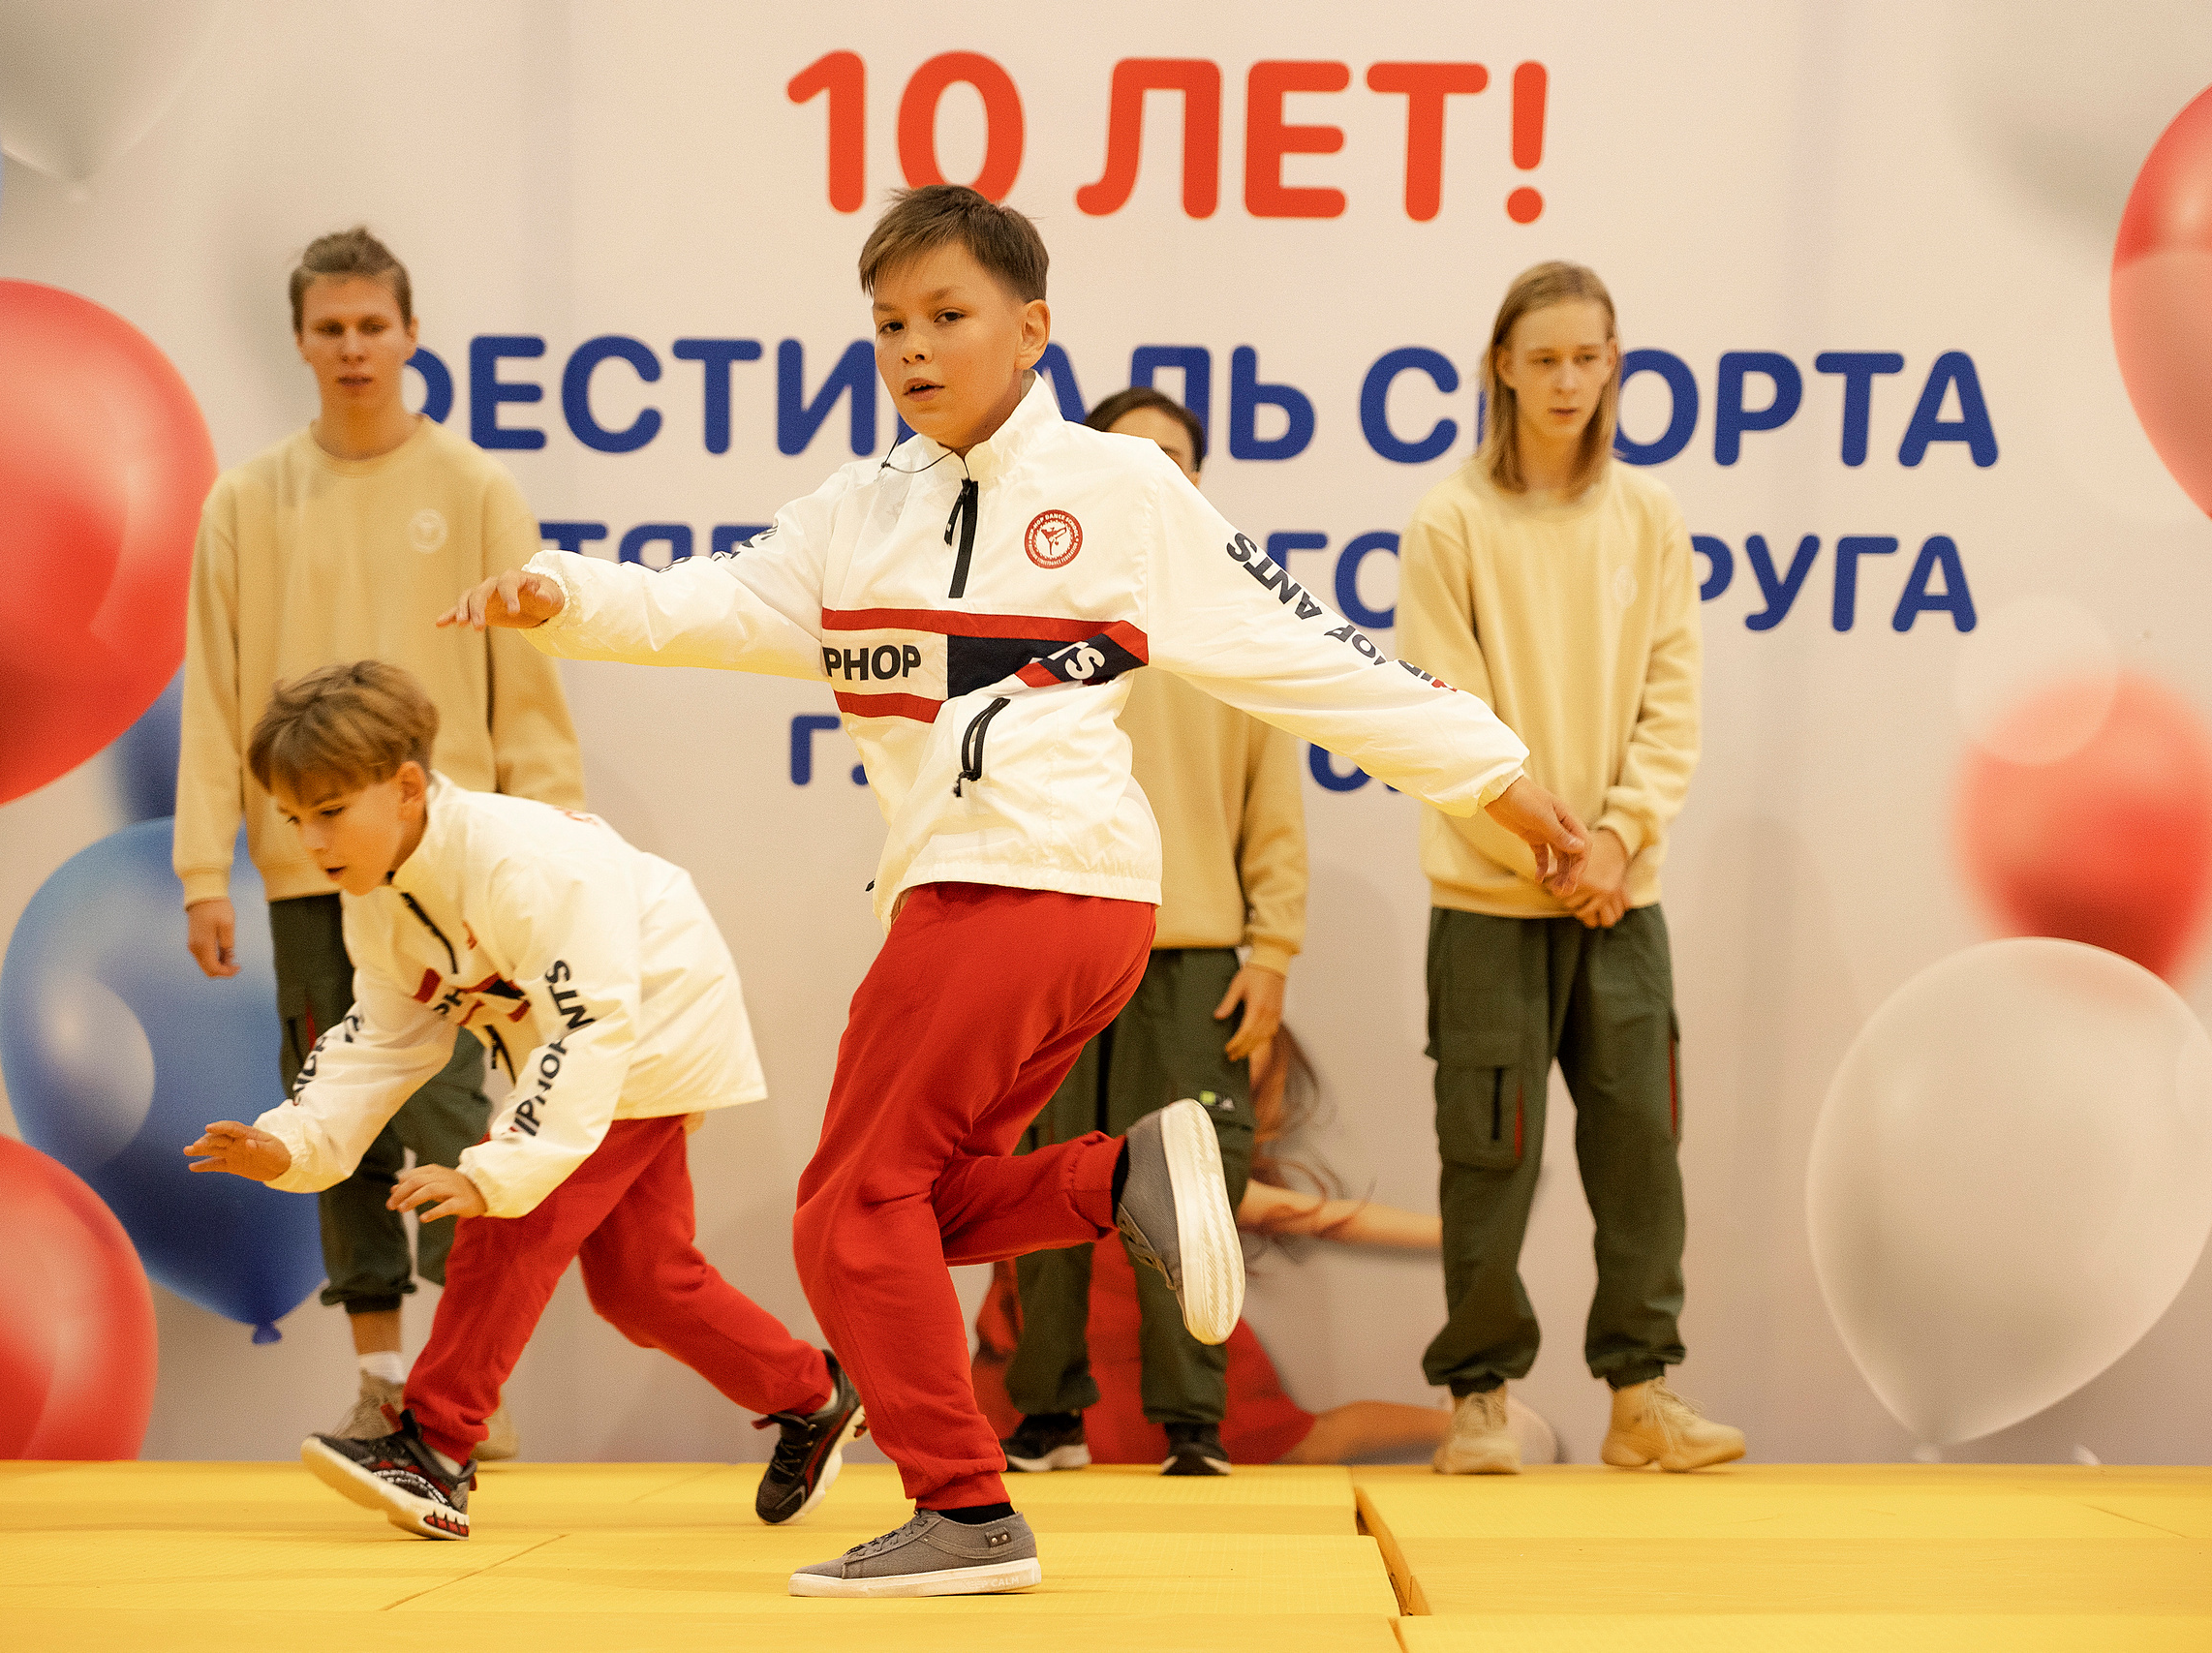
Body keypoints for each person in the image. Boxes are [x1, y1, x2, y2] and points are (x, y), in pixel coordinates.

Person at [444, 184, 1588, 1599]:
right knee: (906, 1202)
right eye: (888, 327)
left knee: (844, 1209)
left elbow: (1313, 657)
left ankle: (968, 1508)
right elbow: (720, 603)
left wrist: (1498, 777)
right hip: (1016, 908)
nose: (913, 348)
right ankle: (1121, 1172)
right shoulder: (858, 511)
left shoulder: (1120, 491)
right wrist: (568, 595)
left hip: (1031, 884)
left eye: (946, 316)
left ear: (1033, 328)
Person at [184, 661, 862, 1542]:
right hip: (594, 1039)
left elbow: (592, 1026)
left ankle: (434, 1445)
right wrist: (293, 1142)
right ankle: (812, 1394)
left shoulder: (523, 863)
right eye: (293, 818)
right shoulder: (378, 896)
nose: (311, 841)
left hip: (651, 1019)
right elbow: (384, 1033)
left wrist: (497, 1170)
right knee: (641, 1282)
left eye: (330, 811)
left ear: (406, 787)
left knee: (510, 1216)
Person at [174, 228, 585, 1454]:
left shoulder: (474, 492)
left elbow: (530, 685)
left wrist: (552, 830)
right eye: (329, 329)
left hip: (455, 868)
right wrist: (206, 867)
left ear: (411, 334)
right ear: (300, 342)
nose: (353, 349)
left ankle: (466, 1389)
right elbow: (214, 689)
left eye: (372, 326)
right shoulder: (249, 500)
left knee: (461, 1109)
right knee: (333, 1112)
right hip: (309, 867)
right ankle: (383, 1374)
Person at [1397, 260, 1744, 1477]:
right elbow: (1439, 717)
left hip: (1619, 898)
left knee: (1640, 1146)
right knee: (1487, 1154)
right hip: (1490, 900)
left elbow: (1671, 704)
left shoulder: (1647, 519)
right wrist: (1551, 846)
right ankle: (1479, 1402)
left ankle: (1642, 1397)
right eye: (1540, 357)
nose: (1564, 380)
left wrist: (1617, 841)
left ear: (1614, 365)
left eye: (1586, 357)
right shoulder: (1451, 522)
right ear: (1500, 365)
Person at [999, 386, 1306, 1481]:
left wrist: (1272, 950)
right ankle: (1047, 1415)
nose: (1154, 476)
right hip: (1055, 938)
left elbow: (1275, 802)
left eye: (1173, 459)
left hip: (1192, 960)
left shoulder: (1239, 619)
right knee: (1039, 1180)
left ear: (1199, 481)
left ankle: (1192, 1424)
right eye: (1130, 457)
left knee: (1192, 1198)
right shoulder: (1027, 603)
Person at [977, 1028, 1562, 1470]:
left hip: (1156, 1358)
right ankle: (1458, 1421)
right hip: (1067, 1366)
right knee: (1299, 1442)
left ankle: (1457, 1422)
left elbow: (1330, 1219)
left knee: (1299, 1442)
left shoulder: (1182, 1178)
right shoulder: (1059, 1144)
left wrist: (1462, 1231)